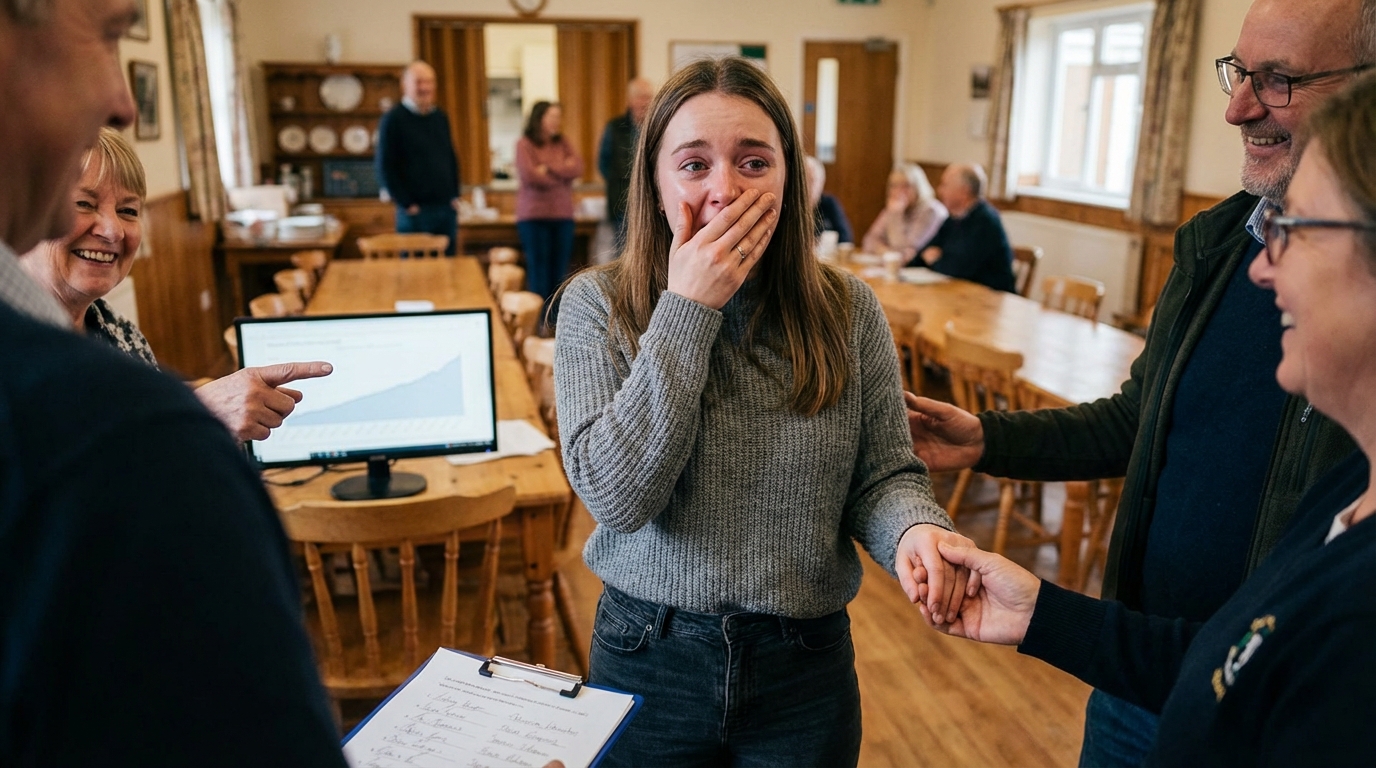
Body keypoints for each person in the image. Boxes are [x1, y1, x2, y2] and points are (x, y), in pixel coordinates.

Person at [905, 0, 1371, 763]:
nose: (1236, 106)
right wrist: (989, 436)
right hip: (1136, 668)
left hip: (1259, 708)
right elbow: (1141, 421)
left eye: (1278, 79)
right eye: (1239, 73)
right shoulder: (1216, 245)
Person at [553, 56, 974, 766]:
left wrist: (914, 533)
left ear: (791, 178)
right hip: (647, 651)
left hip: (802, 663)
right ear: (656, 185)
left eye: (753, 162)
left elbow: (882, 477)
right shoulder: (597, 305)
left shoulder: (848, 309)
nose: (725, 190)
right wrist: (688, 308)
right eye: (693, 165)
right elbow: (617, 498)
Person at [0, 0, 347, 763]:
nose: (123, 98)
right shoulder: (122, 431)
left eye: (127, 209)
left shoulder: (118, 342)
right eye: (111, 34)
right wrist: (191, 419)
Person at [19, 127, 332, 442]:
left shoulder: (117, 331)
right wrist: (199, 412)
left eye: (128, 211)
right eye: (83, 204)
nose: (113, 231)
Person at [376, 60, 460, 255]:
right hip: (415, 213)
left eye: (429, 82)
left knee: (448, 274)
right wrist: (406, 203)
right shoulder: (393, 119)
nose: (425, 87)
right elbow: (384, 166)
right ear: (405, 85)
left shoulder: (440, 117)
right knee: (415, 276)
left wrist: (454, 195)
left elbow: (450, 157)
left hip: (445, 209)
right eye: (419, 82)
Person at [912, 162, 1016, 292]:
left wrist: (935, 260)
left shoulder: (986, 221)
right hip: (959, 293)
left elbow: (957, 270)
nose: (940, 191)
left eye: (945, 185)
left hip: (990, 302)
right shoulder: (953, 218)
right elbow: (923, 254)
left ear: (964, 191)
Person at [517, 100, 584, 300]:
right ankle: (538, 321)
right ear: (539, 119)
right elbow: (531, 176)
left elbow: (578, 168)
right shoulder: (524, 144)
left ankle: (555, 322)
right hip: (533, 217)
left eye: (558, 117)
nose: (557, 121)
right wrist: (562, 170)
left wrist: (547, 167)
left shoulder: (563, 143)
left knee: (559, 273)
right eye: (552, 117)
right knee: (539, 271)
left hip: (562, 216)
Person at [598, 77, 654, 253]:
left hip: (651, 198)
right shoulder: (615, 127)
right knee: (624, 251)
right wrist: (622, 182)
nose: (645, 102)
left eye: (648, 97)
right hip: (622, 202)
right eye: (640, 97)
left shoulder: (656, 126)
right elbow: (603, 163)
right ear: (630, 100)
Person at [862, 162, 946, 262]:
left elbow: (906, 250)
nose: (899, 191)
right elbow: (868, 241)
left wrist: (896, 215)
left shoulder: (931, 211)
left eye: (906, 186)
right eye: (894, 186)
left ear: (918, 186)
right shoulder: (893, 208)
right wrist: (885, 252)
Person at [805, 155, 854, 245]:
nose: (810, 186)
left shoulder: (830, 203)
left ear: (822, 183)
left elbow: (846, 238)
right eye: (805, 180)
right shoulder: (789, 204)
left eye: (813, 180)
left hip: (826, 257)